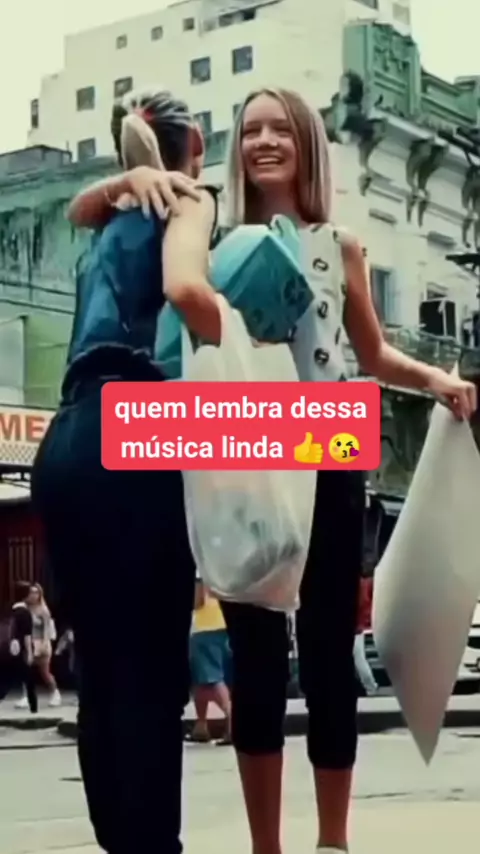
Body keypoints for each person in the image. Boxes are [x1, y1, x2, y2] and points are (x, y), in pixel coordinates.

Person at [66, 87, 477, 854]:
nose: (262, 142)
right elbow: (88, 213)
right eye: (250, 130)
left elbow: (371, 353)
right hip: (248, 446)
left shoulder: (341, 245)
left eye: (279, 129)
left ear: (307, 143)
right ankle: (266, 846)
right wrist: (129, 177)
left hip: (329, 443)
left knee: (326, 656)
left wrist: (438, 381)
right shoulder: (209, 230)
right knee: (255, 658)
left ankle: (332, 841)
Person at [30, 86, 222, 854]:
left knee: (104, 674)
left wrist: (122, 179)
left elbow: (82, 206)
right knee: (150, 672)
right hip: (138, 425)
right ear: (195, 146)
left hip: (67, 437)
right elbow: (185, 288)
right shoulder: (192, 201)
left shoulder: (110, 217)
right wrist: (238, 334)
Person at [187, 577, 232, 745]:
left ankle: (233, 722)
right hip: (224, 623)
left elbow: (198, 601)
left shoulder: (199, 569)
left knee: (213, 678)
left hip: (204, 628)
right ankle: (201, 726)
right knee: (202, 678)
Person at [15, 583, 61, 708]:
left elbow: (47, 629)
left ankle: (55, 693)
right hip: (28, 643)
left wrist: (45, 644)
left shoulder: (43, 610)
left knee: (45, 672)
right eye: (31, 592)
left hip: (41, 642)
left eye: (36, 592)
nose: (34, 595)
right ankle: (26, 696)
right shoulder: (24, 608)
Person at [0, 581, 38, 714]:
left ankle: (32, 706)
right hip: (21, 650)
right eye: (31, 593)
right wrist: (30, 653)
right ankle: (34, 708)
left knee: (5, 680)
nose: (33, 596)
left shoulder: (8, 610)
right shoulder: (25, 612)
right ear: (26, 595)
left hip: (7, 649)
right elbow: (27, 635)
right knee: (29, 680)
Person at [353, 577, 378, 696]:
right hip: (356, 626)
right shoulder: (362, 583)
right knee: (358, 659)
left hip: (354, 626)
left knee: (358, 659)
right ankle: (370, 686)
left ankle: (370, 686)